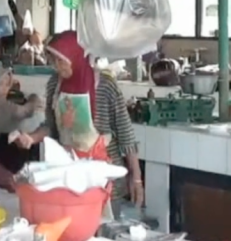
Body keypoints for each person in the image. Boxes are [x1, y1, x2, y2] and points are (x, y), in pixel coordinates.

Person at [14, 31, 143, 212]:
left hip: (104, 180)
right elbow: (52, 127)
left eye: (61, 61)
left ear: (76, 57)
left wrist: (136, 178)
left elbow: (126, 134)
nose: (58, 67)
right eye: (54, 61)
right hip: (69, 177)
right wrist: (32, 138)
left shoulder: (105, 86)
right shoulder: (55, 85)